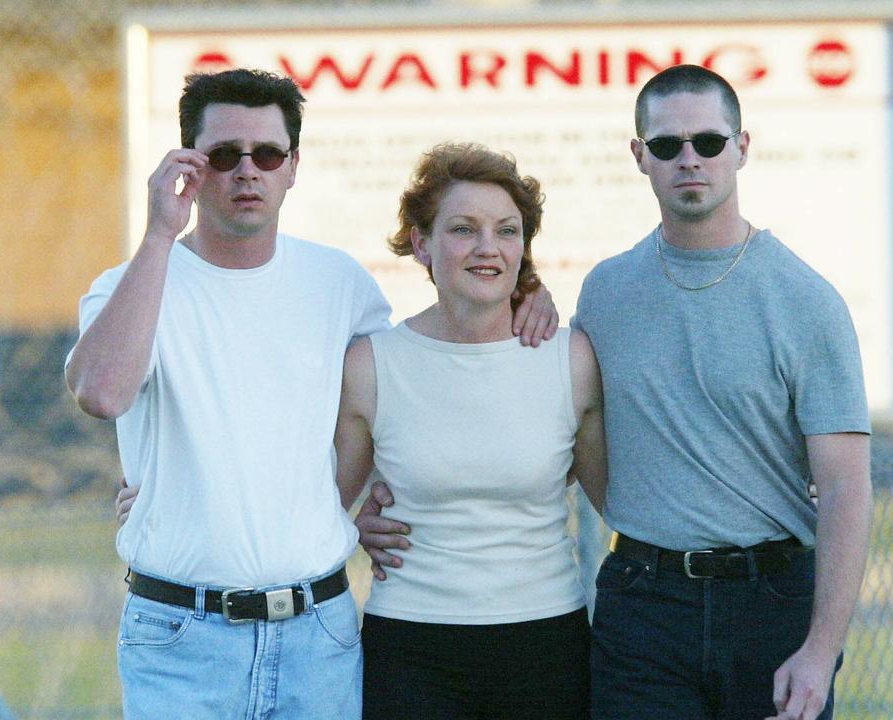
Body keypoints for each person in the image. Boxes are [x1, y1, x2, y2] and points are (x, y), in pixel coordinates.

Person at [359, 64, 873, 720]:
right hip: (645, 603)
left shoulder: (806, 301)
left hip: (770, 602)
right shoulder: (608, 291)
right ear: (640, 157)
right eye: (666, 145)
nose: (689, 159)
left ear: (742, 148)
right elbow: (544, 397)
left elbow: (848, 488)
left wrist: (821, 650)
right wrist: (526, 293)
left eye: (709, 142)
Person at [66, 69, 556, 719]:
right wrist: (159, 234)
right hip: (182, 637)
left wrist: (525, 289)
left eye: (267, 154)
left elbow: (417, 378)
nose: (248, 172)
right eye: (223, 156)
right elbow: (101, 392)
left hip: (316, 636)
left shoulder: (339, 283)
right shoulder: (132, 284)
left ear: (292, 167)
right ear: (191, 165)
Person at [336, 142, 606, 719]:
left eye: (507, 231)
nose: (488, 248)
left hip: (546, 645)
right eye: (464, 229)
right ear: (421, 244)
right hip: (411, 647)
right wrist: (355, 524)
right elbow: (320, 505)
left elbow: (625, 502)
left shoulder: (571, 359)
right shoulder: (372, 365)